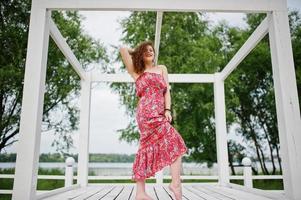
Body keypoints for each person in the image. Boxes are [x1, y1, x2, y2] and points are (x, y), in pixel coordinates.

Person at [119, 41, 188, 200]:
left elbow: (167, 93)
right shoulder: (137, 71)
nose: (150, 52)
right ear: (141, 54)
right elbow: (123, 50)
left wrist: (167, 110)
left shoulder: (162, 68)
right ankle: (141, 192)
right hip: (145, 115)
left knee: (175, 143)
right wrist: (137, 51)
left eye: (151, 50)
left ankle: (173, 183)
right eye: (146, 50)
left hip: (160, 114)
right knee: (145, 147)